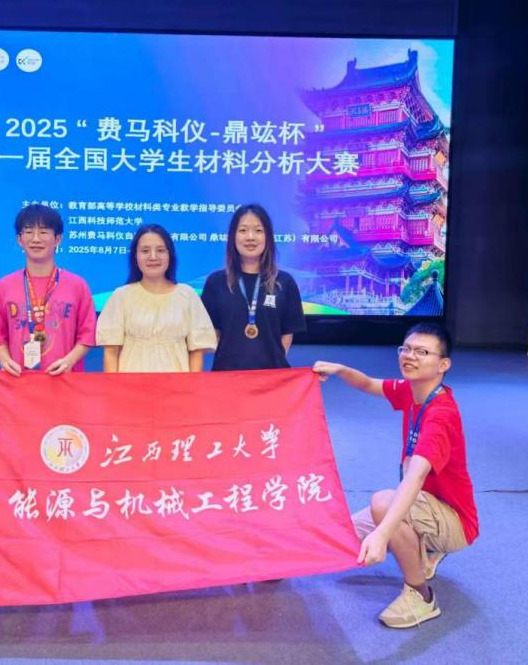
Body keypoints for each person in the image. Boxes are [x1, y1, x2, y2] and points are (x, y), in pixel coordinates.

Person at [313, 323, 479, 628]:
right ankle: (424, 548)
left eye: (422, 352)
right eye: (406, 349)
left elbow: (414, 478)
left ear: (443, 364)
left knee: (382, 505)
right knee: (344, 537)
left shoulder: (441, 414)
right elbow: (368, 384)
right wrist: (341, 369)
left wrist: (382, 534)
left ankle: (421, 595)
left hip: (454, 520)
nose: (410, 356)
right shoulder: (411, 391)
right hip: (425, 504)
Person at [0, 204, 96, 375]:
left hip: (65, 379)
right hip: (18, 380)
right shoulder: (4, 286)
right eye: (28, 232)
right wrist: (5, 361)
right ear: (19, 240)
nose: (36, 239)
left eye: (43, 232)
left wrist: (69, 361)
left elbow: (87, 335)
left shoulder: (77, 285)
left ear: (58, 239)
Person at [96, 224, 216, 372]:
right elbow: (110, 353)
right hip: (131, 383)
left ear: (170, 255)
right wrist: (114, 385)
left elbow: (196, 351)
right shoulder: (121, 296)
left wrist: (192, 384)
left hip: (177, 384)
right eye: (145, 251)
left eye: (160, 250)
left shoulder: (187, 295)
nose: (153, 257)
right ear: (135, 257)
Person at [200, 204, 306, 370]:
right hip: (227, 376)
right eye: (243, 230)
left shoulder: (284, 282)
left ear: (268, 237)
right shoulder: (216, 282)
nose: (250, 237)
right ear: (233, 237)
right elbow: (214, 334)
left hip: (272, 377)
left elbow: (286, 335)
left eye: (258, 230)